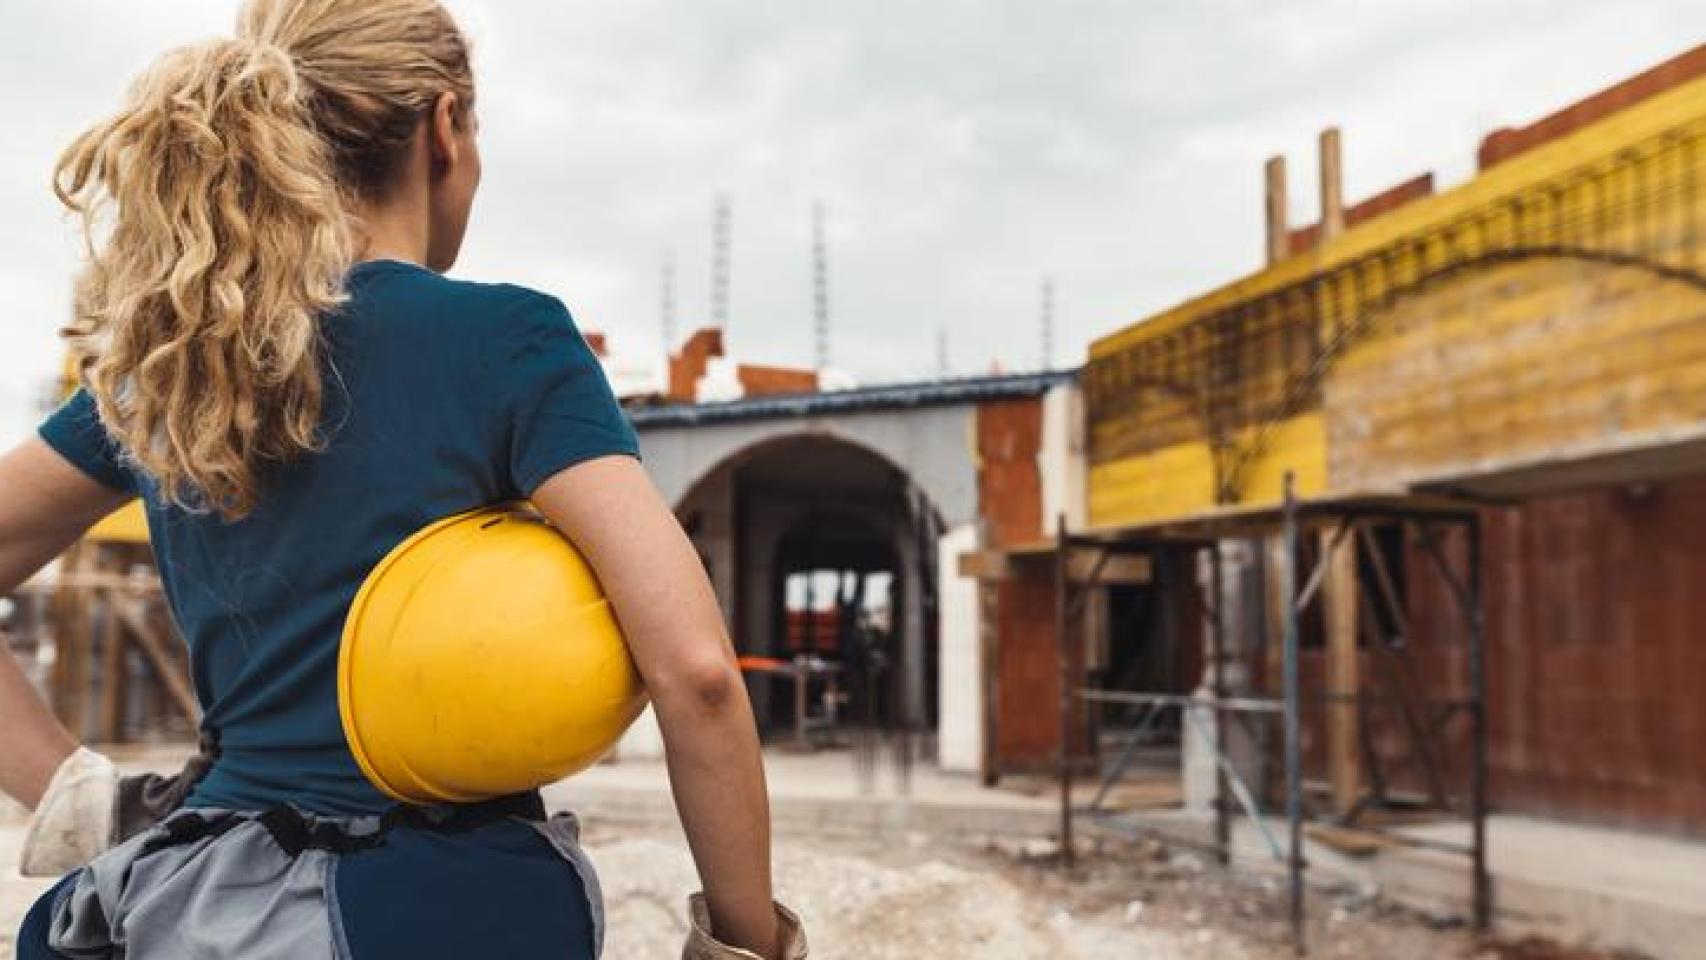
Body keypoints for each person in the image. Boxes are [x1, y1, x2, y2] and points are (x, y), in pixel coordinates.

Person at [0, 1, 804, 957]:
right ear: (445, 124)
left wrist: (80, 799)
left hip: (184, 903)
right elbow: (701, 675)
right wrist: (750, 942)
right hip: (440, 907)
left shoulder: (175, 362)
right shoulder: (510, 341)